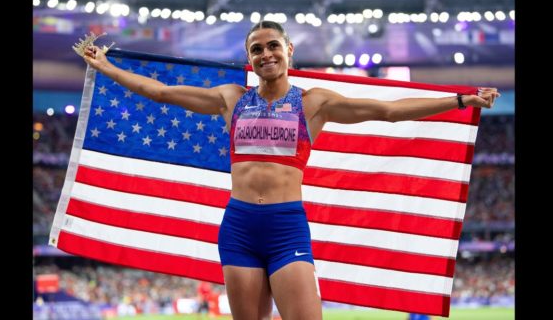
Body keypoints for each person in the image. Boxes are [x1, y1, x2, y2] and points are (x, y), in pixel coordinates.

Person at [81, 20, 499, 320]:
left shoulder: (313, 103)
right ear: (248, 58)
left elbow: (389, 111)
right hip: (239, 227)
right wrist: (107, 67)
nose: (266, 54)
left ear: (288, 51)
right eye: (257, 49)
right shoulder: (231, 98)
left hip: (286, 229)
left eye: (272, 46)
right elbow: (161, 92)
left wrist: (460, 101)